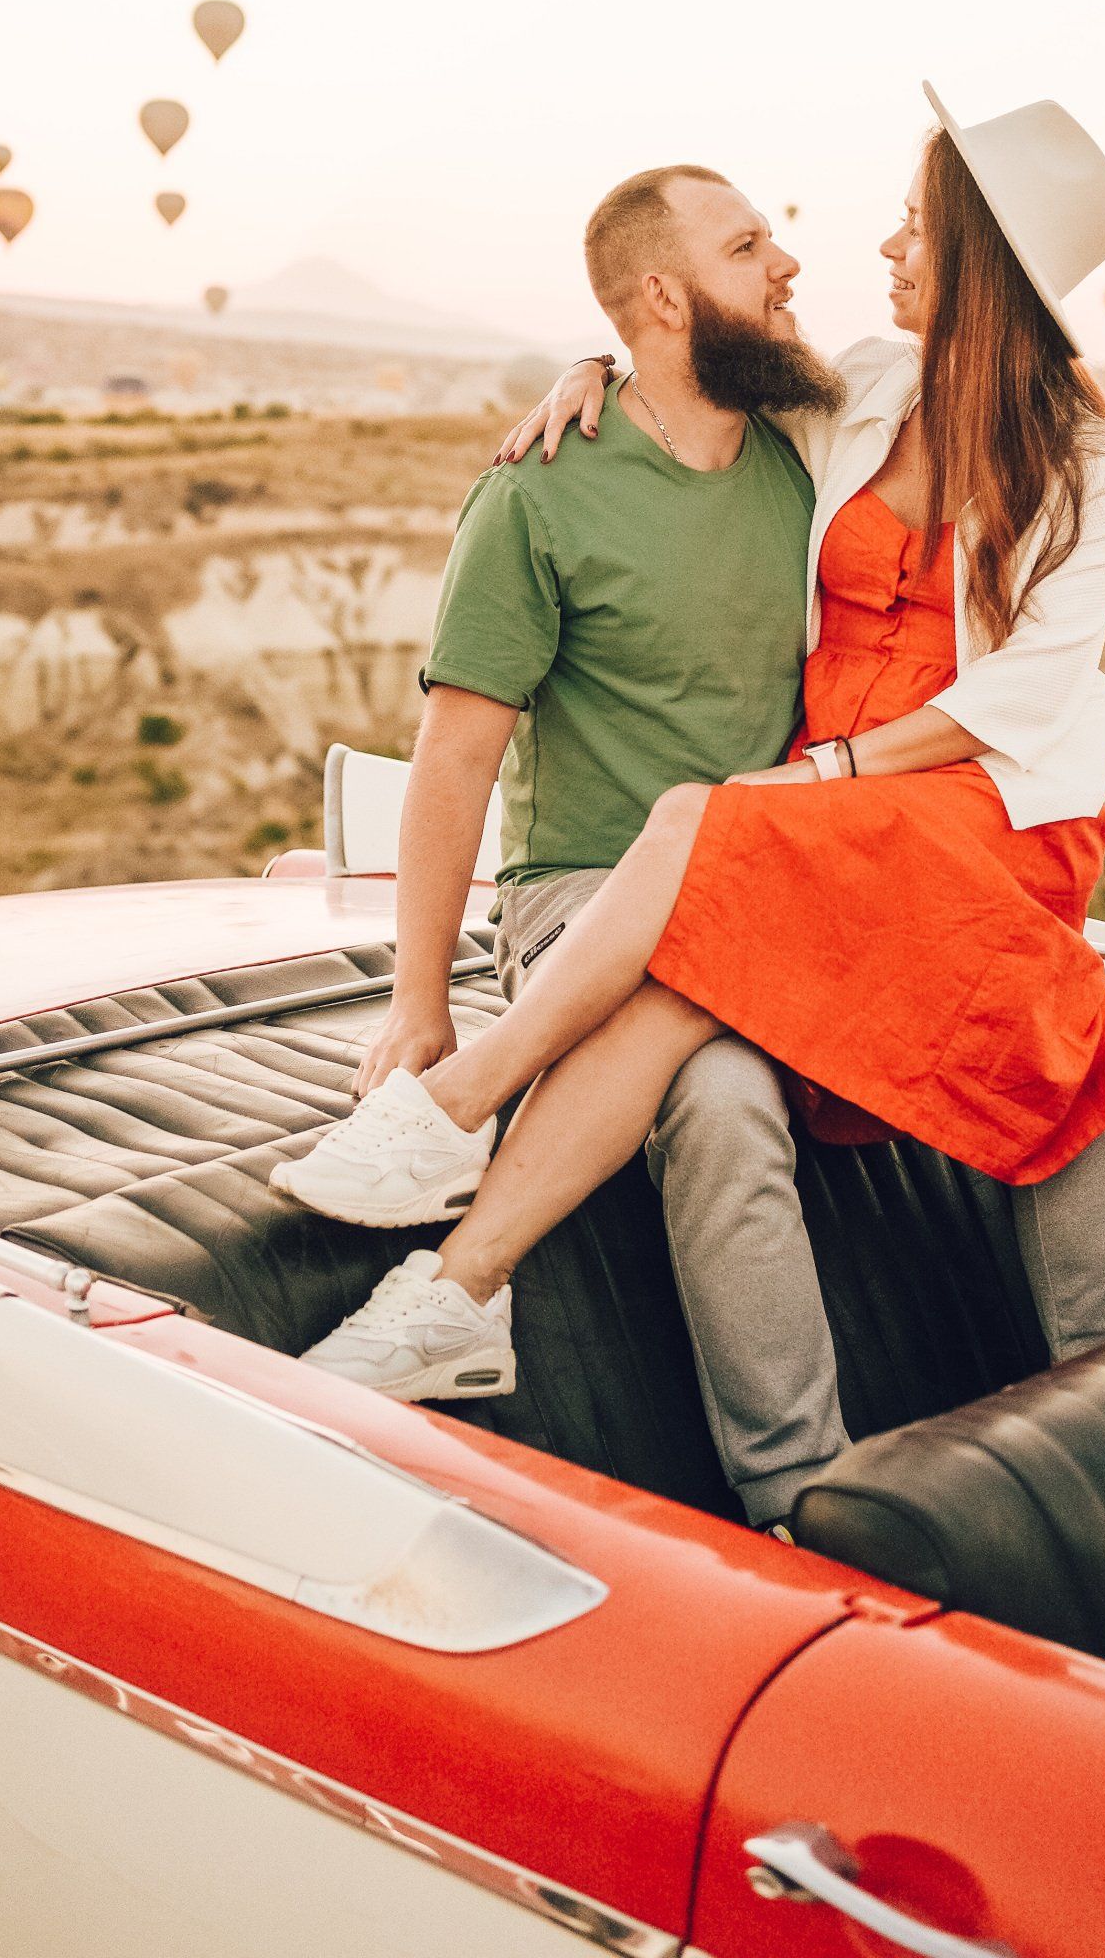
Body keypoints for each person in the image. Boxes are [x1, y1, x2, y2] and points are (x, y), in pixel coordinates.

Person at [279, 88, 1105, 1516]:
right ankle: (793, 1497)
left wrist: (820, 776)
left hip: (956, 803)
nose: (865, 248)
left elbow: (1025, 694)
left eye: (916, 228)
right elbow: (694, 371)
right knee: (752, 1002)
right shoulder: (861, 391)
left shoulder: (1093, 466)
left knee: (720, 830)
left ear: (981, 261)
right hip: (780, 839)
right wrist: (596, 362)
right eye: (760, 244)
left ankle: (455, 1152)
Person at [274, 160, 862, 1524]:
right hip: (583, 902)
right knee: (716, 1098)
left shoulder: (814, 462)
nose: (786, 269)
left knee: (719, 1020)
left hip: (767, 890)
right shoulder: (537, 491)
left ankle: (463, 1282)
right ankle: (807, 1506)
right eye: (749, 246)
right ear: (664, 296)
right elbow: (457, 756)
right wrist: (420, 1001)